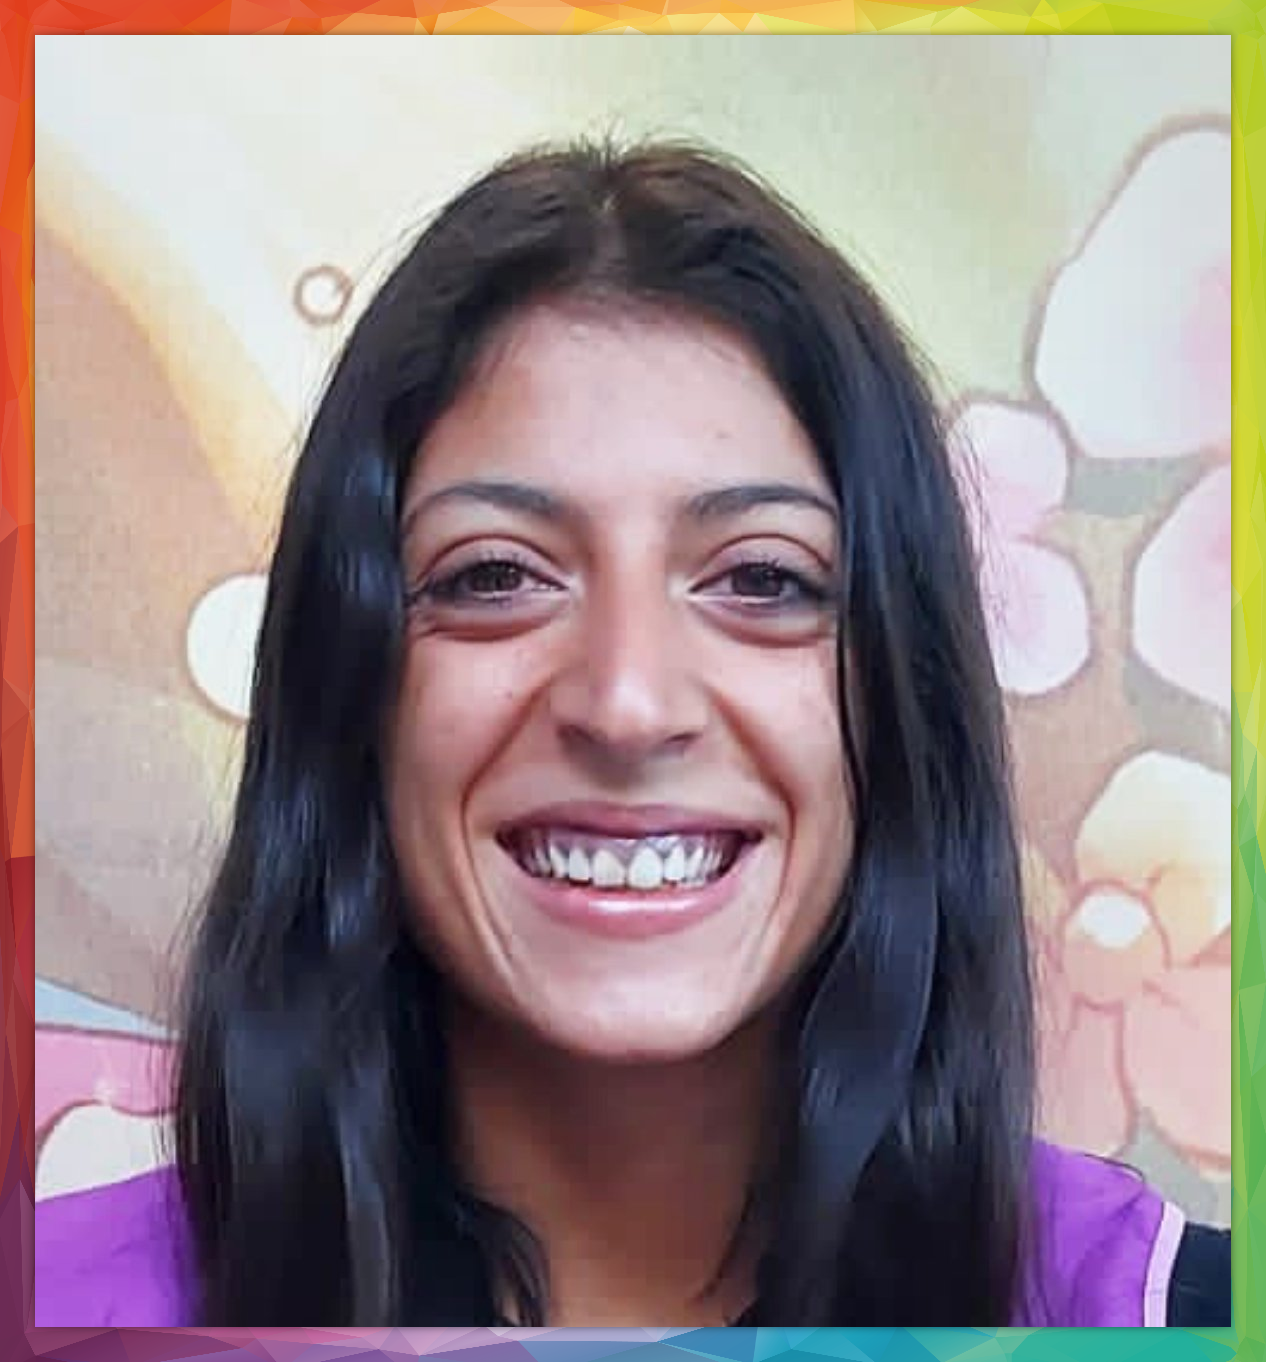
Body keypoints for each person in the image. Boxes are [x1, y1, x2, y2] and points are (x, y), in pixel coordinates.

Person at [35, 141, 1231, 1329]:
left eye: (760, 580)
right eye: (496, 575)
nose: (628, 703)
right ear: (351, 691)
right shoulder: (56, 1312)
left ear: (899, 701)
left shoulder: (1171, 1314)